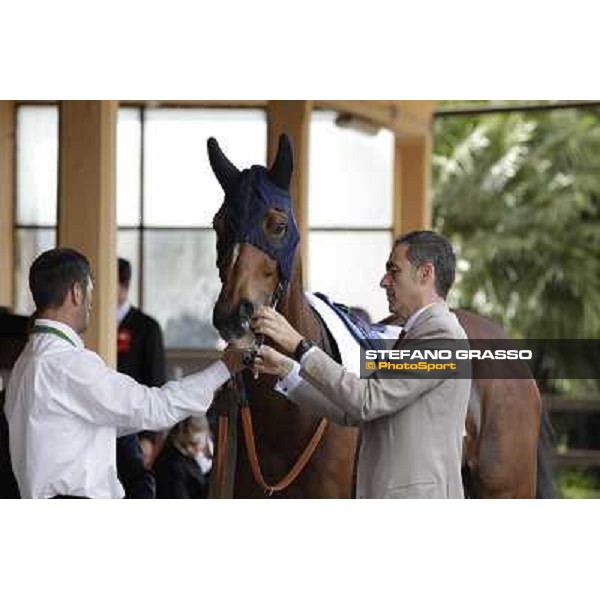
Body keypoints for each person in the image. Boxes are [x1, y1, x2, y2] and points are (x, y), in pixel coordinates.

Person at [3, 247, 244, 499]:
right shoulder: (69, 364)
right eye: (89, 292)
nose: (90, 304)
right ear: (76, 292)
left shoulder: (25, 363)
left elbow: (74, 428)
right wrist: (225, 367)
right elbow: (155, 407)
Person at [251, 230, 471, 499]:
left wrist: (301, 346)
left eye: (394, 271)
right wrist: (288, 370)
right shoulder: (417, 334)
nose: (383, 281)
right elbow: (352, 413)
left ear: (425, 274)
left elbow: (366, 401)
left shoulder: (442, 336)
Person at [116, 257, 166, 498]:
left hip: (136, 429)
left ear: (123, 286)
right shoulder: (94, 323)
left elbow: (156, 381)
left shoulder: (147, 327)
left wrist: (149, 437)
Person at [153, 415, 213, 499]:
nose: (188, 449)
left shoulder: (215, 444)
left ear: (207, 434)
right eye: (182, 445)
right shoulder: (172, 466)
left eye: (194, 443)